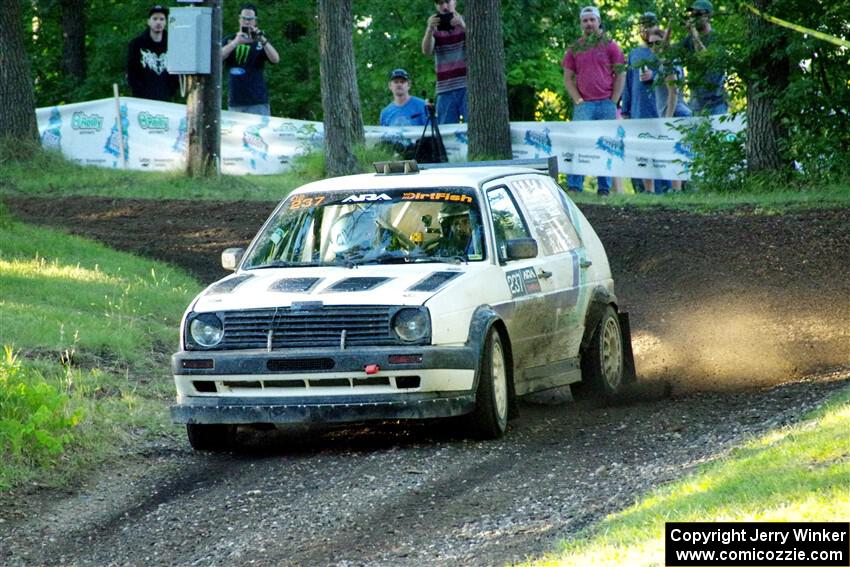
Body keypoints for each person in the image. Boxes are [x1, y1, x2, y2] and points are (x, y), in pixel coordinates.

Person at [562, 5, 626, 197]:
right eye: (585, 20)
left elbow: (621, 74)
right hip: (584, 105)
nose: (589, 23)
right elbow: (568, 78)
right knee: (578, 144)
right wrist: (578, 100)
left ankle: (604, 188)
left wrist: (613, 100)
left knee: (606, 145)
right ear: (581, 24)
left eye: (592, 20)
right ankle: (574, 186)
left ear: (599, 21)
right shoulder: (575, 48)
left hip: (606, 103)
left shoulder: (611, 45)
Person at [621, 12, 671, 195]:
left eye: (649, 24)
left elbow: (676, 77)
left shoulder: (664, 50)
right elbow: (628, 82)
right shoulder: (634, 53)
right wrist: (625, 109)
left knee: (660, 151)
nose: (645, 28)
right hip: (637, 109)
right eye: (642, 25)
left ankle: (666, 189)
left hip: (659, 109)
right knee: (640, 152)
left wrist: (655, 76)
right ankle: (644, 191)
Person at [649, 30, 692, 191]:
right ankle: (678, 190)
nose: (654, 47)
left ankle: (677, 191)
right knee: (676, 155)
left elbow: (673, 91)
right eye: (651, 44)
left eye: (657, 42)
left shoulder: (668, 62)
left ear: (665, 43)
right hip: (673, 114)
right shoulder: (667, 61)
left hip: (676, 114)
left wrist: (667, 119)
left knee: (676, 154)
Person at [221, 3, 280, 115]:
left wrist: (262, 39)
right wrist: (235, 43)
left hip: (257, 100)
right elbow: (217, 58)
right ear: (239, 20)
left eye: (250, 19)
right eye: (244, 18)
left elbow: (275, 59)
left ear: (255, 21)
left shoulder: (260, 41)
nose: (247, 22)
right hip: (236, 100)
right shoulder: (230, 39)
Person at [421, 0, 468, 125]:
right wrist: (429, 29)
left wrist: (463, 26)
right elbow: (426, 51)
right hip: (445, 88)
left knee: (473, 127)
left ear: (455, 2)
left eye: (447, 2)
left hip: (467, 85)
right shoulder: (435, 26)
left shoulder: (467, 21)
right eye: (440, 3)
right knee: (446, 130)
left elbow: (479, 45)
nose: (444, 6)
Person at [679, 0, 727, 115]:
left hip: (716, 103)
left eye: (698, 14)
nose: (694, 18)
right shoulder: (688, 40)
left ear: (708, 16)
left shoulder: (716, 38)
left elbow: (704, 58)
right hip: (696, 104)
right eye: (692, 14)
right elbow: (666, 53)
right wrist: (667, 30)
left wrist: (695, 36)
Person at [126, 5, 179, 101]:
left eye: (162, 19)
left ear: (166, 22)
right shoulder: (137, 44)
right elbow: (132, 72)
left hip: (166, 99)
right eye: (155, 19)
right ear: (149, 21)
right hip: (142, 99)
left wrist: (171, 91)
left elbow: (177, 72)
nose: (158, 22)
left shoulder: (173, 43)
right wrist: (139, 91)